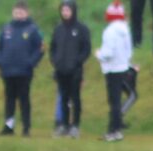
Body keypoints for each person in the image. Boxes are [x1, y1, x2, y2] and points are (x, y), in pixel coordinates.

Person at [0, 1, 44, 137]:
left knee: (24, 100)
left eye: (21, 12)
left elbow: (40, 49)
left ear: (26, 13)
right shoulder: (6, 28)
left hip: (24, 71)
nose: (18, 14)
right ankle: (9, 126)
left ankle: (26, 128)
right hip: (7, 70)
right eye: (16, 12)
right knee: (9, 99)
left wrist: (31, 62)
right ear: (13, 12)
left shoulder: (32, 29)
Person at [49, 1, 89, 138]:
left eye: (67, 10)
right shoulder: (58, 29)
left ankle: (75, 126)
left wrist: (78, 61)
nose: (65, 13)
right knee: (63, 98)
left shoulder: (81, 29)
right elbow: (53, 48)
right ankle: (64, 125)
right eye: (63, 10)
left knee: (75, 98)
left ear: (73, 11)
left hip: (75, 70)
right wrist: (55, 61)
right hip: (61, 70)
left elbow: (86, 49)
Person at [95, 1, 131, 142]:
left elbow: (108, 53)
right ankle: (117, 129)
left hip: (111, 68)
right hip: (122, 67)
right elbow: (129, 51)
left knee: (113, 101)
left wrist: (98, 54)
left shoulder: (110, 31)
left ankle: (114, 130)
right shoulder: (125, 30)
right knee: (117, 99)